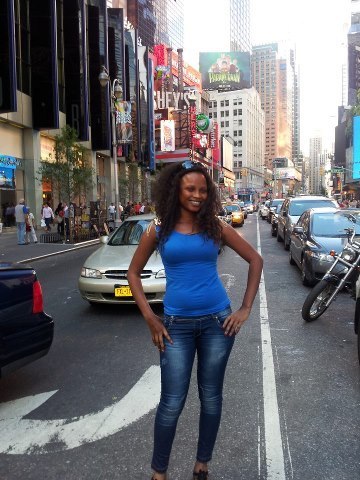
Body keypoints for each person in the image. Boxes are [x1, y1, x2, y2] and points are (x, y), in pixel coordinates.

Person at [127, 161, 263, 480]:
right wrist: (150, 318)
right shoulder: (158, 228)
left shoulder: (215, 226)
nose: (197, 195)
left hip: (218, 323)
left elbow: (255, 260)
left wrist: (244, 308)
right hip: (176, 328)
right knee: (172, 403)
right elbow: (133, 273)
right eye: (190, 188)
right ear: (176, 189)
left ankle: (202, 463)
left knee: (211, 397)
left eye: (203, 190)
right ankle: (159, 472)